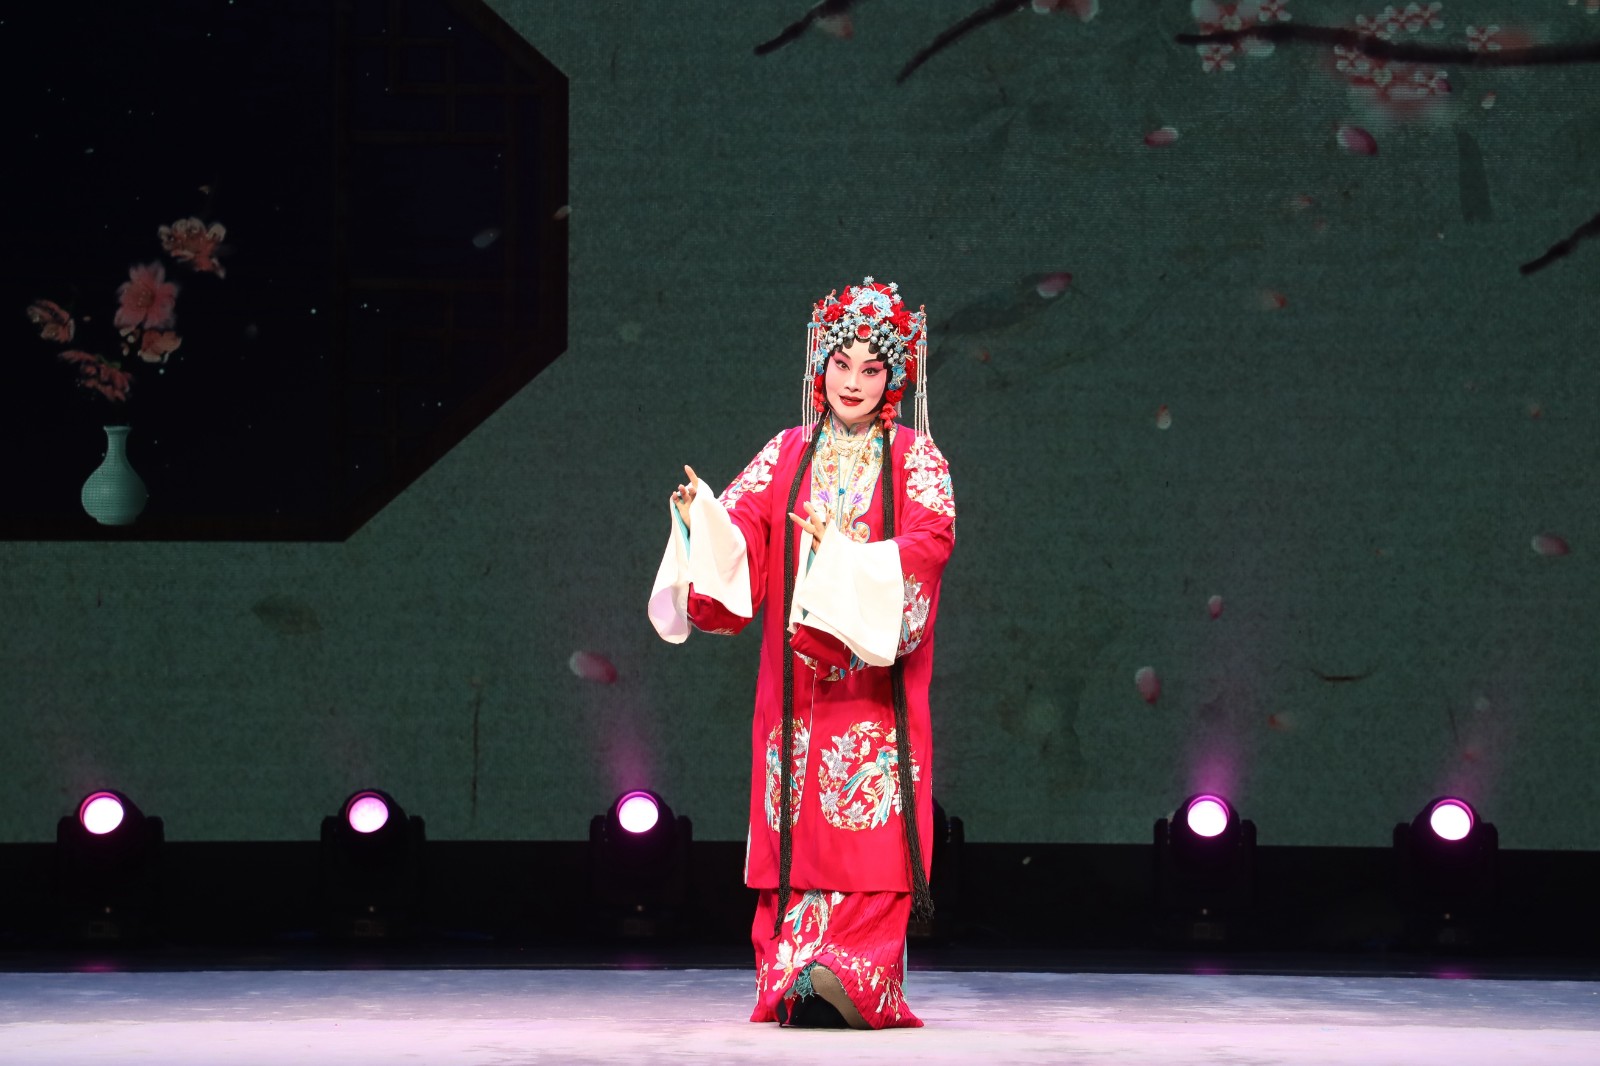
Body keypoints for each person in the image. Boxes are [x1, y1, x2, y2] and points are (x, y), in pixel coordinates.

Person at [648, 278, 956, 1029]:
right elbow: (742, 531)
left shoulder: (916, 458)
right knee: (795, 825)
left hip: (871, 689)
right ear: (822, 366)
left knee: (870, 826)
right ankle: (796, 971)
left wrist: (844, 560)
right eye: (841, 364)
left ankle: (854, 975)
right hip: (792, 690)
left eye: (871, 369)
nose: (852, 383)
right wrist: (702, 519)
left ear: (893, 378)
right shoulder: (786, 451)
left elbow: (930, 544)